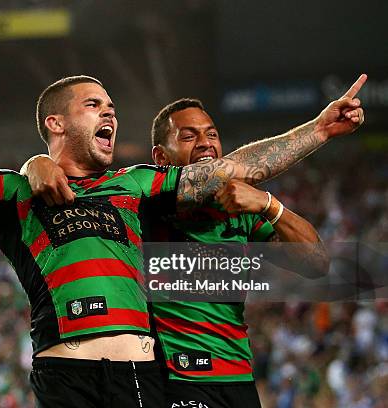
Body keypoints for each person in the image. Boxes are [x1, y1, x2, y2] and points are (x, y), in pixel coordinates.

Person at [0, 46, 365, 407]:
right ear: (55, 123)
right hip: (66, 371)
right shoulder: (12, 193)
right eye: (95, 104)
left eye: (112, 105)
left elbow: (235, 170)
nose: (110, 111)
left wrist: (318, 128)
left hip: (143, 369)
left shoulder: (139, 185)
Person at [23, 97, 331, 408]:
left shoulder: (242, 208)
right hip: (173, 381)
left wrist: (268, 204)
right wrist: (36, 162)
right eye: (188, 136)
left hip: (238, 378)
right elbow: (72, 182)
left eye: (211, 134)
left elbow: (318, 263)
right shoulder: (136, 204)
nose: (204, 144)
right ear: (160, 156)